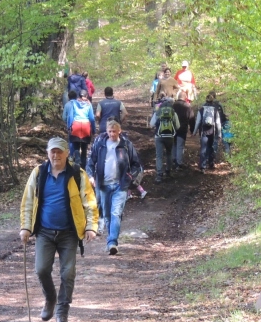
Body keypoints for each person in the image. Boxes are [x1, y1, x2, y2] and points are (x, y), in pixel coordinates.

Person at [20, 137, 98, 322]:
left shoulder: (77, 174)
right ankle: (51, 298)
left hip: (69, 233)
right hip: (45, 232)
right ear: (48, 153)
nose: (56, 155)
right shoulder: (39, 173)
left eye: (59, 152)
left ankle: (62, 312)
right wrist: (25, 227)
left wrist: (91, 227)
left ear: (67, 153)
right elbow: (28, 201)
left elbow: (90, 203)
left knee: (68, 273)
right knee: (41, 269)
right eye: (52, 152)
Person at [86, 120, 142, 255]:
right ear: (107, 131)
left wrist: (130, 177)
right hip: (103, 185)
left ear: (119, 131)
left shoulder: (126, 145)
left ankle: (112, 242)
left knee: (116, 213)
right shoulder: (100, 144)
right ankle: (110, 240)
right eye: (109, 131)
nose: (112, 134)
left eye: (114, 131)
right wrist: (91, 176)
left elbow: (136, 164)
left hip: (120, 185)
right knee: (106, 215)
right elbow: (90, 162)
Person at [150, 97, 181, 183]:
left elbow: (151, 124)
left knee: (159, 155)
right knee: (169, 153)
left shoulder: (158, 112)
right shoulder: (173, 113)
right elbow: (178, 126)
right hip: (170, 136)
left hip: (159, 136)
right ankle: (168, 171)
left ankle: (159, 175)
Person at [192, 91, 223, 171]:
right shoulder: (215, 110)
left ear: (205, 100)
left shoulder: (201, 109)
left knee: (203, 148)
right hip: (212, 131)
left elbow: (198, 122)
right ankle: (211, 163)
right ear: (213, 100)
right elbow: (218, 123)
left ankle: (203, 166)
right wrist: (219, 134)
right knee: (211, 147)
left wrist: (194, 132)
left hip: (203, 132)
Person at [65, 90, 96, 168]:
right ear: (87, 96)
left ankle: (76, 163)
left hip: (76, 127)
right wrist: (93, 130)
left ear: (78, 96)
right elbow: (92, 118)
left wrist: (69, 127)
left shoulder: (74, 104)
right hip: (86, 127)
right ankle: (83, 168)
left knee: (76, 148)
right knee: (84, 150)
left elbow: (71, 116)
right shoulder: (89, 105)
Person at [172, 94, 193, 170]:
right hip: (182, 129)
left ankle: (173, 160)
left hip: (173, 128)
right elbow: (191, 119)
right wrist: (192, 130)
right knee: (180, 146)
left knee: (174, 144)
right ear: (185, 98)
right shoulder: (187, 106)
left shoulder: (173, 105)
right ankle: (179, 164)